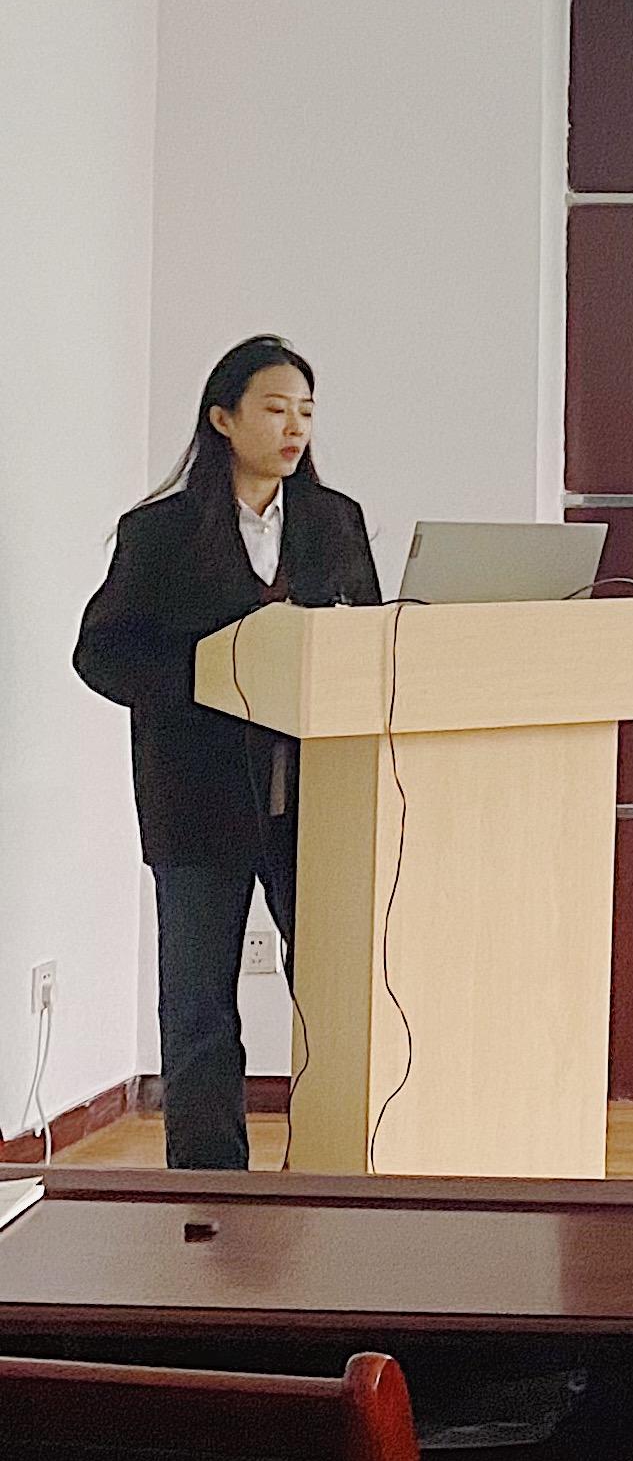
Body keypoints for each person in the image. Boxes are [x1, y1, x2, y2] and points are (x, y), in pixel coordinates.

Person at [74, 336, 381, 1170]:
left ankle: (333, 1168)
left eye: (306, 412)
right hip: (196, 798)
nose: (294, 428)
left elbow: (366, 643)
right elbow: (102, 653)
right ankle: (207, 1186)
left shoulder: (335, 521)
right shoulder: (159, 533)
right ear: (223, 418)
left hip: (315, 797)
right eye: (275, 409)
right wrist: (211, 674)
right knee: (200, 1007)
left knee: (335, 995)